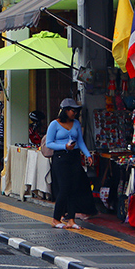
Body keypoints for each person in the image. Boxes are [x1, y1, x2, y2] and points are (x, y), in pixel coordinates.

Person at [44, 98, 92, 229]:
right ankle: (56, 218)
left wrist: (88, 154)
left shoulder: (76, 123)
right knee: (64, 188)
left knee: (73, 188)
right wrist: (64, 146)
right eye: (72, 110)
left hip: (74, 156)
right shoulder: (55, 124)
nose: (74, 113)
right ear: (65, 111)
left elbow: (80, 141)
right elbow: (49, 143)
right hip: (61, 157)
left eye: (76, 111)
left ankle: (71, 219)